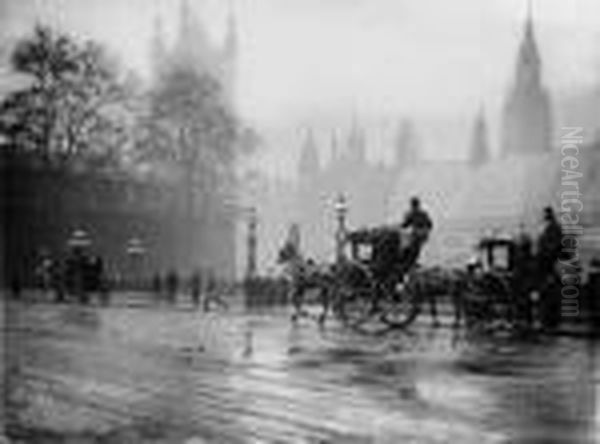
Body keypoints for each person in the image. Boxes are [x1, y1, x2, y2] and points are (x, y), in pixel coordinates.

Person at [536, 207, 563, 330]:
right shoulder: (550, 227)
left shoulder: (553, 228)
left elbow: (555, 245)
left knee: (548, 282)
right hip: (547, 259)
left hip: (549, 258)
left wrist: (546, 251)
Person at [400, 196, 433, 271]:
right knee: (416, 247)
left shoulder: (411, 213)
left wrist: (398, 227)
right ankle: (412, 261)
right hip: (423, 234)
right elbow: (430, 224)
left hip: (417, 233)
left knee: (410, 246)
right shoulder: (423, 213)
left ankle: (409, 262)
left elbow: (405, 224)